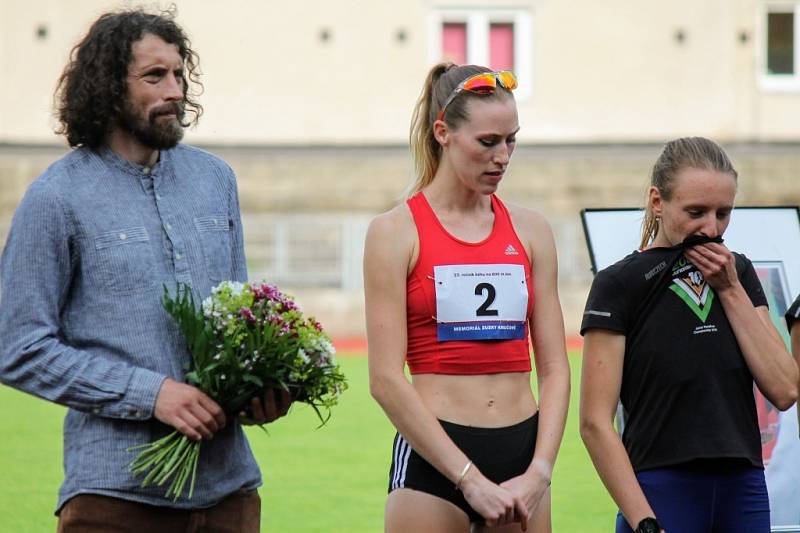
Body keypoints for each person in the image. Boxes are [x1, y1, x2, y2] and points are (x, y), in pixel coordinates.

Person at [0, 8, 289, 532]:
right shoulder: (56, 197)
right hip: (115, 498)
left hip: (230, 496)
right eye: (155, 76)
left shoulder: (215, 180)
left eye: (180, 74)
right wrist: (149, 393)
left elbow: (238, 322)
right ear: (108, 86)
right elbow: (16, 346)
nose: (175, 90)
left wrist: (258, 389)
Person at [363, 63, 570, 532]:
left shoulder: (532, 230)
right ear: (443, 132)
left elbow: (556, 369)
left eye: (511, 140)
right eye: (488, 142)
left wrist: (540, 470)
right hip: (437, 457)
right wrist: (468, 478)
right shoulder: (394, 232)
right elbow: (384, 379)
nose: (503, 157)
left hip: (523, 458)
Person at [579, 137, 799, 533]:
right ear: (657, 201)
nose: (710, 229)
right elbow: (595, 422)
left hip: (742, 488)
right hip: (661, 490)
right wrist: (642, 519)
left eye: (723, 213)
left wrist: (729, 289)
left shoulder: (739, 274)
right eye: (695, 212)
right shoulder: (619, 284)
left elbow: (784, 389)